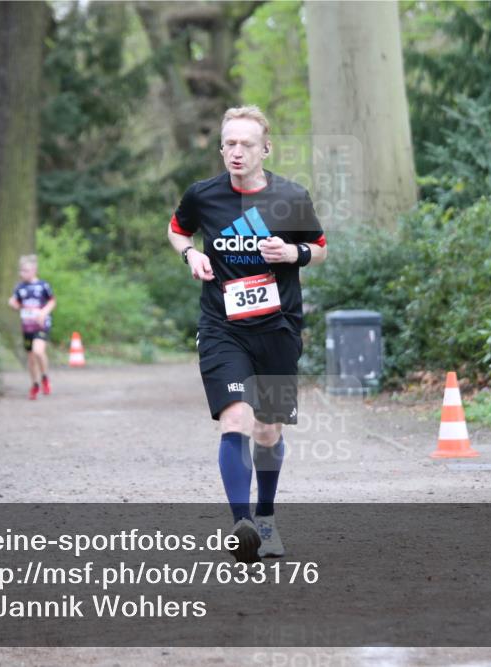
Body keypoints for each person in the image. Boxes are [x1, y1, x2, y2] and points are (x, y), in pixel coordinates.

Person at [167, 106, 327, 563]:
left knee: (268, 429)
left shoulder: (291, 197)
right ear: (221, 148)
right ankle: (241, 527)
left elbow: (319, 248)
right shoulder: (203, 196)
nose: (237, 152)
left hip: (277, 327)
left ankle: (265, 518)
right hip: (222, 327)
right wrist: (190, 255)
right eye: (229, 144)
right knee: (234, 417)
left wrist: (290, 252)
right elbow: (177, 231)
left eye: (247, 144)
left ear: (266, 149)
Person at [8, 255, 56, 400]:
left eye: (26, 270)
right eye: (21, 271)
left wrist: (43, 312)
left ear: (34, 270)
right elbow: (16, 303)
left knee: (38, 351)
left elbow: (52, 302)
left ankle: (45, 377)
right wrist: (13, 304)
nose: (22, 273)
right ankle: (35, 384)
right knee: (31, 358)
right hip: (27, 327)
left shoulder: (43, 286)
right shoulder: (20, 288)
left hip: (41, 326)